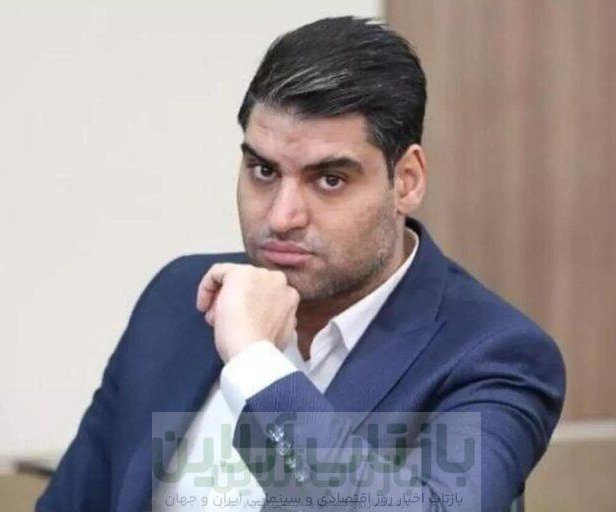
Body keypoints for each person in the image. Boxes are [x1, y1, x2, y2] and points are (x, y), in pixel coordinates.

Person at [36, 16, 565, 512]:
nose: (282, 217)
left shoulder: (493, 354)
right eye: (264, 171)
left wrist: (254, 365)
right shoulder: (178, 298)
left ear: (406, 181)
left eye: (329, 180)